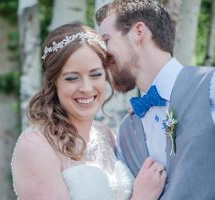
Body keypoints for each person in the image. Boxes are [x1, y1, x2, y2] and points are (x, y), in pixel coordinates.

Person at [11, 23, 166, 200]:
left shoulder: (107, 135)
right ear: (54, 82)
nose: (86, 87)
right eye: (72, 78)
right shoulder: (36, 146)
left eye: (95, 75)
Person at [95, 0, 215, 199]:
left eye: (106, 41)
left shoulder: (209, 87)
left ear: (138, 32)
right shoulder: (125, 132)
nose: (101, 56)